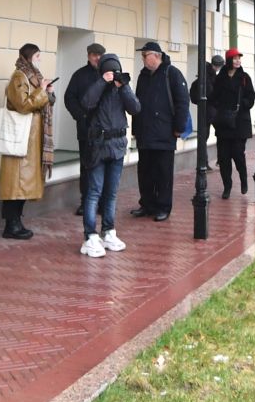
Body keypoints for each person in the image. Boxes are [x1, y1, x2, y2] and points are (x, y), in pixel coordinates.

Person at [78, 53, 139, 256]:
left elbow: (135, 108)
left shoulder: (121, 87)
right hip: (98, 146)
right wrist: (102, 82)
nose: (112, 75)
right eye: (109, 71)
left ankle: (108, 231)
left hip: (118, 146)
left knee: (111, 193)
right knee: (94, 192)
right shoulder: (95, 84)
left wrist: (124, 87)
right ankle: (90, 236)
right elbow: (86, 103)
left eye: (115, 71)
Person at [0, 43, 55, 240]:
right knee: (15, 184)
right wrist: (41, 91)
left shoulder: (31, 76)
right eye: (38, 55)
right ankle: (11, 224)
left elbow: (36, 99)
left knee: (23, 184)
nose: (40, 59)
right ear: (30, 56)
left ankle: (16, 222)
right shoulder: (19, 77)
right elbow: (22, 105)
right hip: (20, 138)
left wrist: (46, 91)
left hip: (30, 138)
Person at [130, 40, 190, 221]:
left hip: (165, 133)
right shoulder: (143, 76)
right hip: (145, 133)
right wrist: (135, 128)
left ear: (157, 56)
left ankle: (163, 206)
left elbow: (182, 102)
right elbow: (137, 103)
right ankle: (147, 204)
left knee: (163, 173)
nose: (142, 58)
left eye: (145, 55)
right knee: (145, 172)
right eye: (142, 55)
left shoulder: (172, 74)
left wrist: (179, 128)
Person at [193, 48, 255, 198]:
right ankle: (227, 186)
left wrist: (242, 104)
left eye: (239, 58)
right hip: (223, 123)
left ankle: (243, 180)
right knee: (223, 158)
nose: (237, 61)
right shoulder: (220, 77)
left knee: (238, 155)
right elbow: (214, 96)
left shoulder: (244, 77)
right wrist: (216, 109)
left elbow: (251, 97)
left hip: (239, 123)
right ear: (229, 60)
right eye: (234, 58)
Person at [67, 44, 106, 216]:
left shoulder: (108, 74)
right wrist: (81, 117)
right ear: (89, 55)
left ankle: (103, 202)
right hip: (86, 129)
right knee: (87, 166)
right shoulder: (79, 75)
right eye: (94, 55)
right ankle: (86, 202)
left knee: (104, 165)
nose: (97, 58)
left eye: (100, 55)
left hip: (105, 129)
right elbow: (69, 98)